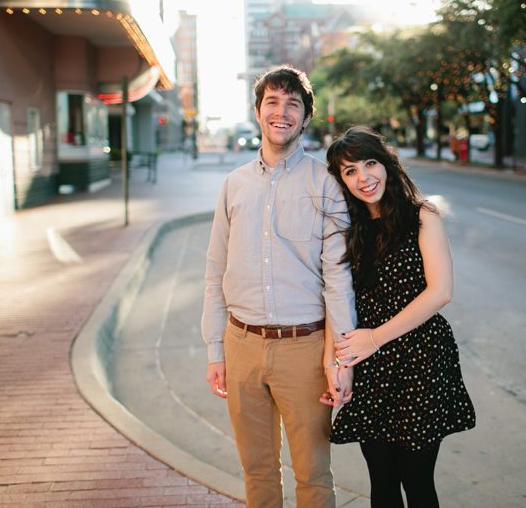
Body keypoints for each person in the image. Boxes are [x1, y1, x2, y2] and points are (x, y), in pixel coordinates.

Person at [201, 64, 356, 508]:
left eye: (293, 104)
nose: (281, 112)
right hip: (241, 344)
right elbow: (215, 273)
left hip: (304, 350)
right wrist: (216, 350)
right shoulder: (234, 185)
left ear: (306, 117)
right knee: (257, 470)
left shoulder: (326, 185)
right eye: (272, 101)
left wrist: (340, 358)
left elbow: (338, 278)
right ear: (258, 112)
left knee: (312, 474)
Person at [321, 126, 476, 508]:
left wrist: (374, 338)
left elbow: (441, 292)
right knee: (383, 481)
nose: (364, 177)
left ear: (386, 164)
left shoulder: (422, 215)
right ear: (341, 180)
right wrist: (334, 362)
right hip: (371, 365)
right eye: (350, 171)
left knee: (417, 479)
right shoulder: (346, 228)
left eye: (370, 163)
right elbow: (336, 299)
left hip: (421, 358)